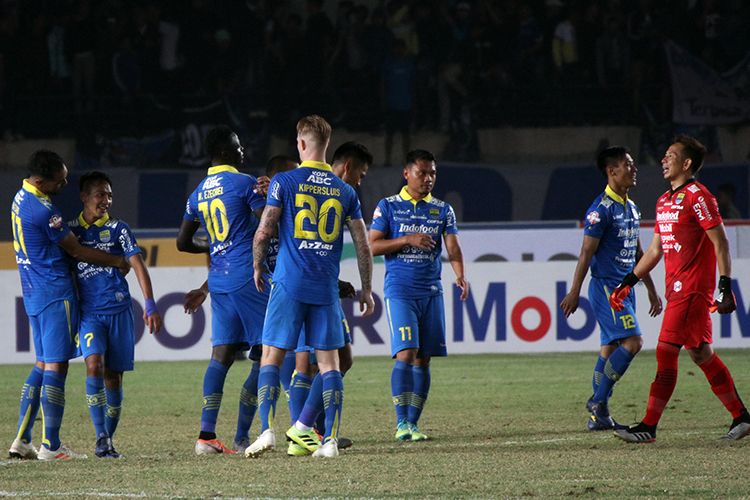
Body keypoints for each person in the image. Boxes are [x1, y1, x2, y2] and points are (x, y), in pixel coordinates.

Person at [246, 115, 374, 459]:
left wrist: (258, 265)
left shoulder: (284, 182)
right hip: (324, 288)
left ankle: (267, 431)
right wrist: (366, 288)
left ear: (301, 144)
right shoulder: (345, 190)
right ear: (327, 146)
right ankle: (328, 441)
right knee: (331, 364)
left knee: (271, 357)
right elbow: (363, 245)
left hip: (288, 282)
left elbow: (265, 230)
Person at [611, 135, 750, 443]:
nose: (664, 160)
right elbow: (655, 251)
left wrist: (725, 285)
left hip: (692, 289)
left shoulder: (699, 197)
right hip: (675, 289)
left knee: (665, 351)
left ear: (686, 164)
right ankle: (742, 417)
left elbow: (721, 242)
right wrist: (628, 281)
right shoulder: (664, 201)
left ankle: (648, 426)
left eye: (670, 156)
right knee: (701, 354)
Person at [9, 150, 130, 461]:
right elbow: (76, 250)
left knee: (42, 362)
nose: (64, 183)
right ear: (40, 180)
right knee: (56, 365)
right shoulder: (42, 210)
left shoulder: (20, 198)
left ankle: (22, 439)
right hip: (54, 293)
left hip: (33, 291)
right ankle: (51, 445)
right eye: (59, 180)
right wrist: (117, 259)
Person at [176, 125, 270, 455]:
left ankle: (206, 435)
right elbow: (267, 225)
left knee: (221, 357)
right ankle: (255, 433)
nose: (243, 150)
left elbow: (183, 242)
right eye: (239, 146)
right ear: (226, 152)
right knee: (266, 355)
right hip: (249, 276)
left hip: (219, 281)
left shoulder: (197, 193)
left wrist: (215, 243)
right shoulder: (245, 183)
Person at [369, 149, 469, 442]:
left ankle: (413, 424)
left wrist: (460, 274)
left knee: (424, 359)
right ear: (406, 173)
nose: (428, 179)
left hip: (431, 291)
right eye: (422, 173)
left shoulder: (443, 210)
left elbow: (453, 248)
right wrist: (407, 239)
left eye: (433, 173)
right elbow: (372, 246)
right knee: (407, 353)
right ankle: (401, 422)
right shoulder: (388, 207)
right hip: (400, 290)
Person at [560, 146, 662, 431]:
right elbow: (585, 254)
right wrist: (574, 291)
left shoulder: (631, 207)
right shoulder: (600, 210)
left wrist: (651, 288)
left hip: (625, 289)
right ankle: (598, 400)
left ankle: (600, 416)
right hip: (607, 288)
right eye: (628, 164)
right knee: (634, 342)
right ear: (611, 171)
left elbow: (638, 253)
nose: (634, 168)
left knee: (609, 348)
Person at [285, 141, 372, 456]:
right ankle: (304, 431)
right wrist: (365, 287)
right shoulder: (338, 191)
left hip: (317, 285)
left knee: (336, 360)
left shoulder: (307, 186)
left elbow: (310, 242)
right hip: (311, 289)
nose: (360, 182)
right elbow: (362, 245)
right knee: (310, 363)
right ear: (347, 166)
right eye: (360, 175)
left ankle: (306, 429)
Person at [68, 171, 162, 458]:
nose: (106, 200)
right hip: (90, 314)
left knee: (114, 378)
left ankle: (107, 440)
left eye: (109, 195)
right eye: (100, 194)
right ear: (84, 197)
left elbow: (137, 264)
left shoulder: (119, 228)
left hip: (120, 311)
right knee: (93, 364)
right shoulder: (71, 231)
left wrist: (149, 304)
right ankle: (100, 437)